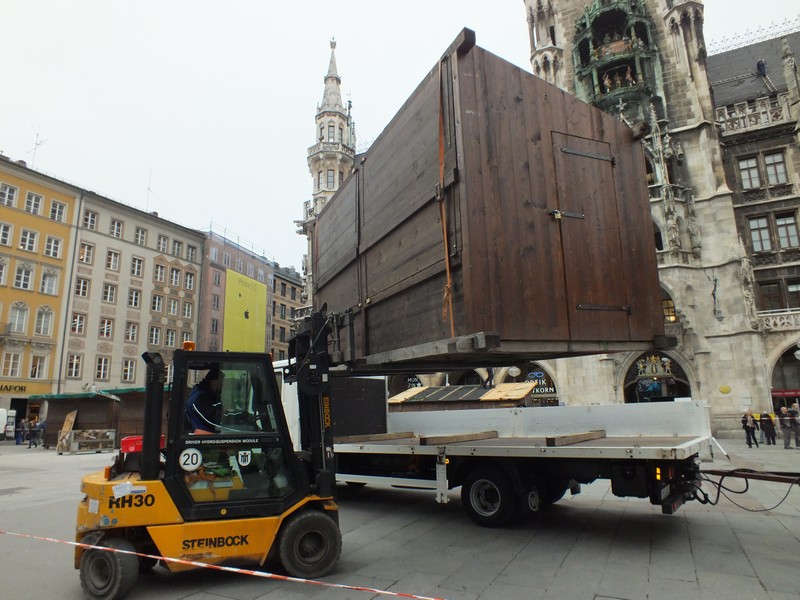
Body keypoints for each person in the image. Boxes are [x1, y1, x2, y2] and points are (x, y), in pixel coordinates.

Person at [186, 367, 224, 434]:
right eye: (220, 381)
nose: (222, 384)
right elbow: (212, 420)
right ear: (213, 381)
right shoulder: (200, 398)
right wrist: (228, 419)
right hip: (203, 437)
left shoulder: (210, 395)